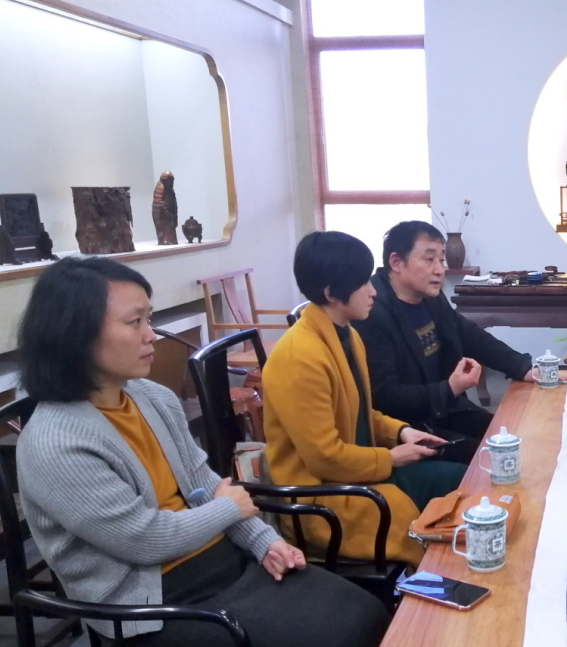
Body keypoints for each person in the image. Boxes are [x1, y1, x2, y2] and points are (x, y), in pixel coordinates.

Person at [15, 257, 389, 647]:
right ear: (76, 334)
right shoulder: (55, 442)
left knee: (365, 612)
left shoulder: (152, 397)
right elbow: (145, 539)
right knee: (338, 636)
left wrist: (264, 541)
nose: (151, 336)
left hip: (217, 555)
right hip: (151, 601)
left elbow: (205, 482)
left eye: (149, 319)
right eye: (134, 322)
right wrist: (228, 509)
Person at [263, 232, 466, 567]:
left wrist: (401, 432)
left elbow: (357, 411)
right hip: (324, 498)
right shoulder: (299, 358)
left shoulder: (347, 335)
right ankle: (433, 583)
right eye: (362, 283)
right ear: (331, 293)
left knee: (461, 480)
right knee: (421, 508)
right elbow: (325, 458)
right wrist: (393, 457)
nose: (373, 290)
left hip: (359, 473)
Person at [354, 221, 533, 463]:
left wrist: (523, 368)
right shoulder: (372, 313)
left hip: (445, 408)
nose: (439, 270)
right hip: (407, 428)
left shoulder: (431, 298)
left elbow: (469, 334)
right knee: (493, 458)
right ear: (396, 262)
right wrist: (449, 388)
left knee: (515, 435)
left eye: (441, 260)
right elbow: (386, 397)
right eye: (429, 260)